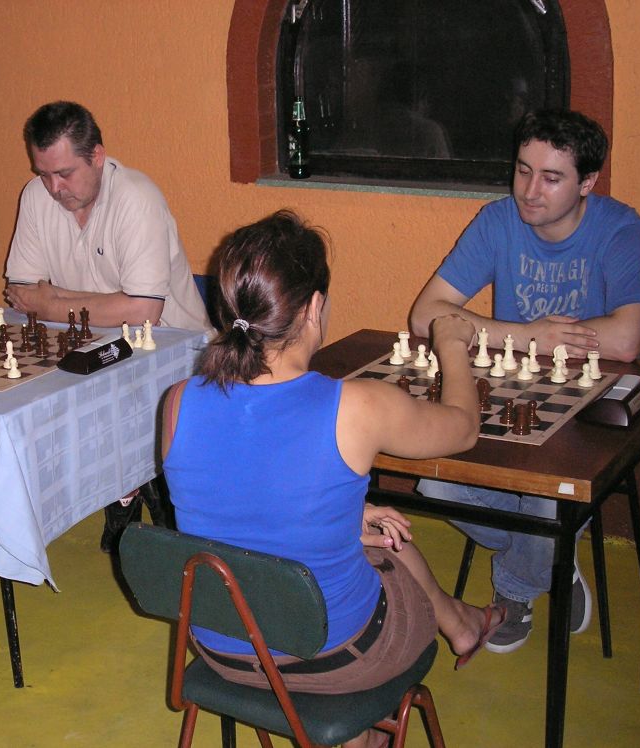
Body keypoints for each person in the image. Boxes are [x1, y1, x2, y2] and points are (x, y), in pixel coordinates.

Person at [161, 210, 504, 748]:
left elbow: (230, 499)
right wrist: (452, 344)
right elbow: (463, 429)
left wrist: (347, 512)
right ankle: (382, 711)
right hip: (336, 657)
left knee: (376, 536)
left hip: (220, 649)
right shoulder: (354, 406)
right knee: (395, 552)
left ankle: (459, 627)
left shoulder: (179, 400)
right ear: (314, 306)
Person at [409, 109, 640, 653]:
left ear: (587, 182)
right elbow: (426, 315)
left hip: (587, 410)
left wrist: (502, 334)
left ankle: (517, 588)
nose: (529, 190)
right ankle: (552, 557)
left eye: (551, 177)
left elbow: (627, 339)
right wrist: (526, 336)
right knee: (433, 480)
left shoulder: (619, 228)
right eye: (523, 170)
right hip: (510, 397)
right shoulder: (498, 221)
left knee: (547, 493)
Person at [4, 101, 210, 550]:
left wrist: (55, 301)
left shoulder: (137, 197)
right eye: (43, 174)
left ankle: (136, 485)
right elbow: (21, 293)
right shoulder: (35, 195)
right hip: (93, 344)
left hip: (172, 349)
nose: (53, 188)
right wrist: (92, 305)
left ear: (97, 156)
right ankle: (123, 487)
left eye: (64, 173)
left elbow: (144, 312)